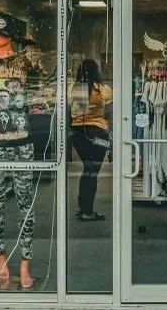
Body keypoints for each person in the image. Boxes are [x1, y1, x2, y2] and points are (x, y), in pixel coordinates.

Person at [0, 11, 36, 290]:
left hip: (21, 142)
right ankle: (0, 258)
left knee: (26, 205)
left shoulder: (25, 64)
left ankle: (25, 261)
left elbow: (40, 95)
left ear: (11, 37)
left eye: (2, 35)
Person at [69, 59, 113, 221]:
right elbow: (111, 105)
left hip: (78, 134)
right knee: (92, 172)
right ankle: (87, 211)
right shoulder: (102, 89)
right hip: (97, 134)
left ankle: (83, 207)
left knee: (87, 170)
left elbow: (66, 107)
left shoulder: (73, 88)